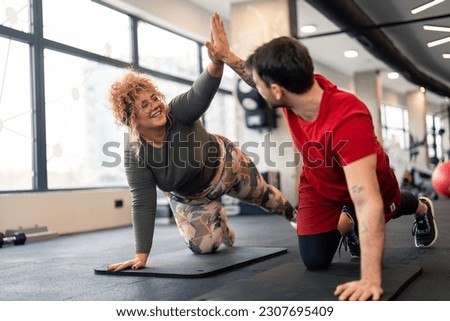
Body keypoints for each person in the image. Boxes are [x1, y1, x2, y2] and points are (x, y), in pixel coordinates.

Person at [205, 13, 438, 301]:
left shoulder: (346, 119)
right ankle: (347, 221)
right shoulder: (300, 85)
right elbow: (256, 78)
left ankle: (421, 207)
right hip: (318, 183)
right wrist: (226, 56)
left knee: (388, 205)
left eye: (262, 85)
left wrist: (369, 279)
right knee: (315, 260)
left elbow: (367, 201)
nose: (257, 87)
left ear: (276, 90)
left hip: (371, 185)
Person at [105, 20, 297, 272]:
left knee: (267, 198)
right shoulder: (134, 153)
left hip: (227, 168)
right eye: (144, 105)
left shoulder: (178, 112)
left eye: (154, 98)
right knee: (204, 248)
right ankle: (219, 221)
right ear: (131, 118)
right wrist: (142, 256)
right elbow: (142, 201)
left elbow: (200, 92)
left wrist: (217, 61)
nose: (154, 105)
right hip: (191, 198)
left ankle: (295, 216)